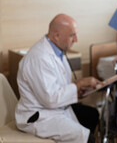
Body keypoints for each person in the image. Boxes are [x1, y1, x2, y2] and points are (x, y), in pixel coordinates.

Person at [15, 14, 101, 143]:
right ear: (56, 35)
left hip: (55, 108)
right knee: (88, 138)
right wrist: (78, 84)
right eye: (72, 35)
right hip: (39, 115)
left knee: (92, 115)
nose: (76, 39)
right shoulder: (39, 58)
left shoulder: (58, 51)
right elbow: (50, 99)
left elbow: (58, 86)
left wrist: (77, 93)